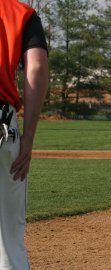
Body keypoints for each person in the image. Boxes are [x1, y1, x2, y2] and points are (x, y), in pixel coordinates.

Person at [0, 0, 48, 268]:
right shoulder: (19, 13)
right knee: (7, 240)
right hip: (3, 127)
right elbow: (37, 68)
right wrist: (27, 139)